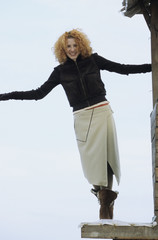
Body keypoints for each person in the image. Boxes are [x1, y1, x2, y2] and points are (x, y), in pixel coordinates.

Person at [0, 29, 151, 219]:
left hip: (102, 111)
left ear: (81, 45)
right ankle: (103, 197)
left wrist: (152, 66)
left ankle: (106, 204)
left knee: (107, 160)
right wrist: (5, 96)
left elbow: (123, 68)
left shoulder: (94, 60)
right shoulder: (60, 72)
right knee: (93, 165)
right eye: (68, 46)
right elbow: (38, 94)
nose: (72, 49)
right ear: (63, 50)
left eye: (75, 45)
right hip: (81, 118)